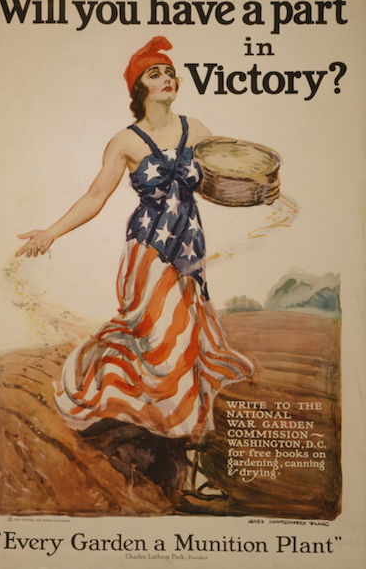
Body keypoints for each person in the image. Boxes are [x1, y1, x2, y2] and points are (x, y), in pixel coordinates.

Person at [17, 37, 255, 498]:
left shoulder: (198, 128)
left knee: (188, 348)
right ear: (139, 88)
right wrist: (50, 231)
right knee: (156, 345)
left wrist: (257, 188)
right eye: (155, 73)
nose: (167, 78)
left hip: (188, 254)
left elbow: (223, 180)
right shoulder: (125, 140)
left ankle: (192, 463)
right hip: (146, 255)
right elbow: (94, 196)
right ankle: (118, 408)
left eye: (169, 72)